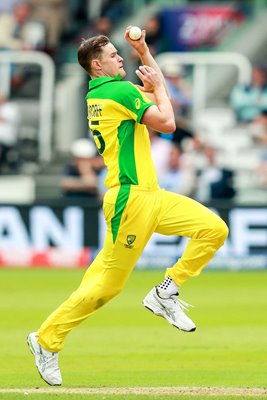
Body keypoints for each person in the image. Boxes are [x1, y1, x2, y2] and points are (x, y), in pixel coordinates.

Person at [27, 27, 229, 386]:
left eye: (121, 53)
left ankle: (166, 291)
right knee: (107, 285)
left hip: (151, 193)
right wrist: (154, 76)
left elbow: (153, 90)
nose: (121, 58)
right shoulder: (117, 91)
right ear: (96, 65)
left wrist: (144, 51)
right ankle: (45, 340)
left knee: (214, 229)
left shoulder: (103, 91)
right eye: (114, 55)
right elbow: (167, 121)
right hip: (130, 197)